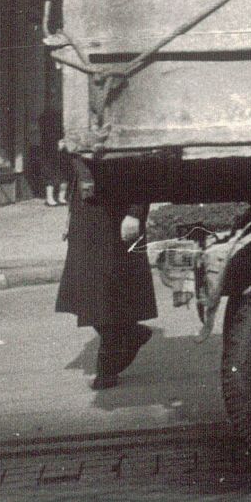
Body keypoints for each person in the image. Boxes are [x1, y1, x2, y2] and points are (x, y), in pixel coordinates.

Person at [55, 161, 158, 390]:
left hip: (115, 212)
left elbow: (141, 167)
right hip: (86, 213)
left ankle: (109, 366)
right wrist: (70, 214)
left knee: (107, 294)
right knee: (86, 291)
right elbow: (79, 167)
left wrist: (135, 213)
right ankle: (130, 334)